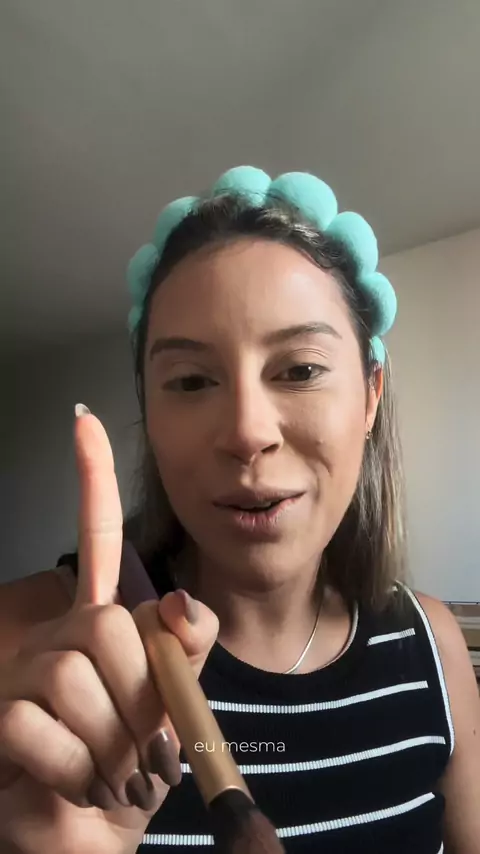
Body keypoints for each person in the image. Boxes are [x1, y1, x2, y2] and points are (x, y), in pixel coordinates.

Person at [0, 166, 478, 854]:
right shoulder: (22, 647)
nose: (248, 432)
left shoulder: (435, 648)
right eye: (192, 380)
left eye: (300, 369)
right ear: (149, 415)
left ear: (371, 395)